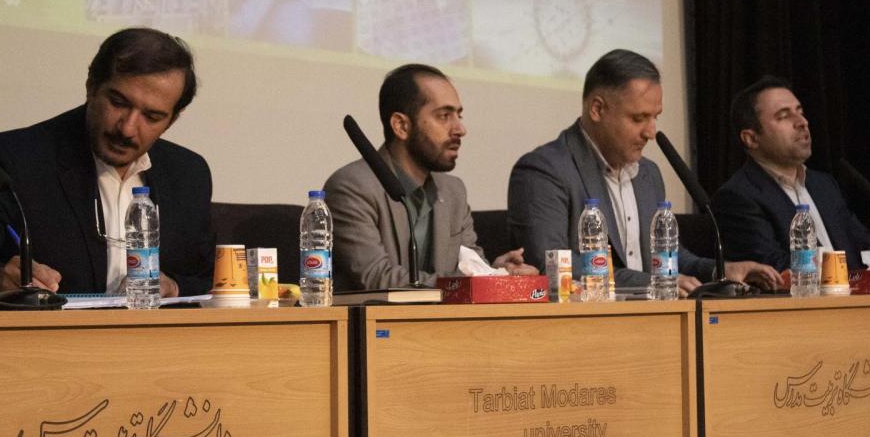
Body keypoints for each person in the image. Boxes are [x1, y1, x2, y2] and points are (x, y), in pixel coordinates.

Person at [508, 49, 780, 294]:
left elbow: (668, 257)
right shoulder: (543, 171)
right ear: (597, 109)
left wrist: (721, 270)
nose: (651, 132)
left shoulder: (648, 174)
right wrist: (650, 282)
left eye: (655, 117)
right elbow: (552, 266)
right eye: (638, 118)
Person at [0, 27, 215, 297]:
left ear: (172, 119)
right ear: (91, 86)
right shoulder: (10, 160)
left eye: (152, 117)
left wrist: (174, 287)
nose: (127, 129)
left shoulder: (189, 175)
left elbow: (208, 279)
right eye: (118, 103)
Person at [712, 75, 870, 285]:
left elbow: (867, 247)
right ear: (751, 138)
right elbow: (774, 269)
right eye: (784, 116)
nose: (802, 122)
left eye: (800, 112)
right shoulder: (738, 197)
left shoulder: (823, 186)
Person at [324, 64, 537, 290]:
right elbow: (377, 278)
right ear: (401, 126)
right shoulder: (351, 187)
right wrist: (470, 281)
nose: (460, 129)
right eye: (444, 116)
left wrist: (494, 272)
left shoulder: (453, 191)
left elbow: (469, 267)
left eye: (459, 115)